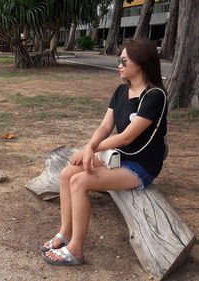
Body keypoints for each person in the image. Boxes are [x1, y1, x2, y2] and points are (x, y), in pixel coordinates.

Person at [40, 38, 168, 266]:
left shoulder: (154, 96)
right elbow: (105, 126)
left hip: (140, 165)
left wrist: (90, 149)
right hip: (119, 156)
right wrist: (89, 148)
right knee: (68, 173)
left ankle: (76, 248)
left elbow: (128, 136)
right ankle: (65, 232)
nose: (119, 64)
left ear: (140, 63)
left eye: (124, 60)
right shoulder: (121, 91)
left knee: (80, 181)